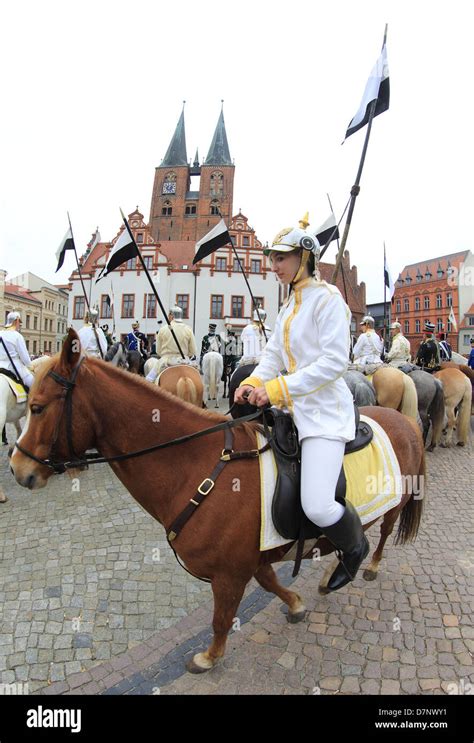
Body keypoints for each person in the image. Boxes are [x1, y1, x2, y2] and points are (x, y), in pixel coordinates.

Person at [234, 216, 368, 592]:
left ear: (303, 258)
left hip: (324, 411)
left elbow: (333, 363)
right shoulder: (288, 307)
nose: (274, 265)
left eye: (281, 258)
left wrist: (277, 390)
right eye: (273, 258)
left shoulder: (329, 300)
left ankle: (354, 546)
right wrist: (252, 381)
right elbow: (273, 354)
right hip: (292, 409)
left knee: (318, 504)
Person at [146, 306, 197, 381]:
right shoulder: (188, 329)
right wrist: (184, 355)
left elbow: (158, 351)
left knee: (149, 379)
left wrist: (166, 354)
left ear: (171, 316)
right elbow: (193, 351)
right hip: (183, 360)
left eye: (168, 315)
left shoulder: (163, 329)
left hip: (165, 360)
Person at [0, 311, 34, 390]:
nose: (19, 325)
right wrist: (30, 366)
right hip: (13, 367)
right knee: (34, 383)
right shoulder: (17, 336)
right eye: (19, 323)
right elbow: (25, 357)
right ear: (16, 321)